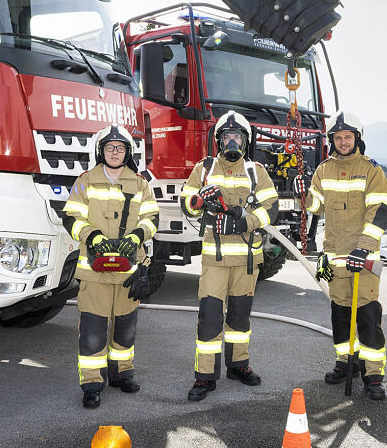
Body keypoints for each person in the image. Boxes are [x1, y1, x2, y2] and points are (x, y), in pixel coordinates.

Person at [180, 111, 279, 401]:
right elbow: (187, 202)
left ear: (245, 141)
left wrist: (244, 221)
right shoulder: (204, 168)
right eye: (227, 137)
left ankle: (238, 366)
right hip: (215, 259)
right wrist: (199, 200)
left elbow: (270, 208)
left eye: (237, 137)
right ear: (219, 140)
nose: (232, 141)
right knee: (209, 318)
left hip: (247, 261)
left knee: (240, 318)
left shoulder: (255, 171)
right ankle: (204, 377)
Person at [61, 125, 160, 409]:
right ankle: (92, 383)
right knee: (93, 328)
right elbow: (71, 218)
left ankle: (122, 374)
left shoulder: (140, 184)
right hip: (94, 271)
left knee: (125, 327)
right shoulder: (85, 181)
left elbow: (152, 218)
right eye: (109, 148)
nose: (114, 153)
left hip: (129, 269)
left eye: (120, 148)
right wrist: (92, 236)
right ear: (100, 151)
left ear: (128, 153)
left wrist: (136, 236)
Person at [303, 111, 387, 399]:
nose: (343, 142)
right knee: (340, 314)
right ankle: (346, 363)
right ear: (332, 140)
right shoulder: (323, 170)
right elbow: (316, 206)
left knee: (367, 315)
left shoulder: (371, 170)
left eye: (348, 137)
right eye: (338, 138)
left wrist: (363, 246)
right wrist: (304, 192)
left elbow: (379, 211)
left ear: (357, 139)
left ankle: (373, 374)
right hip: (334, 256)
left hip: (363, 257)